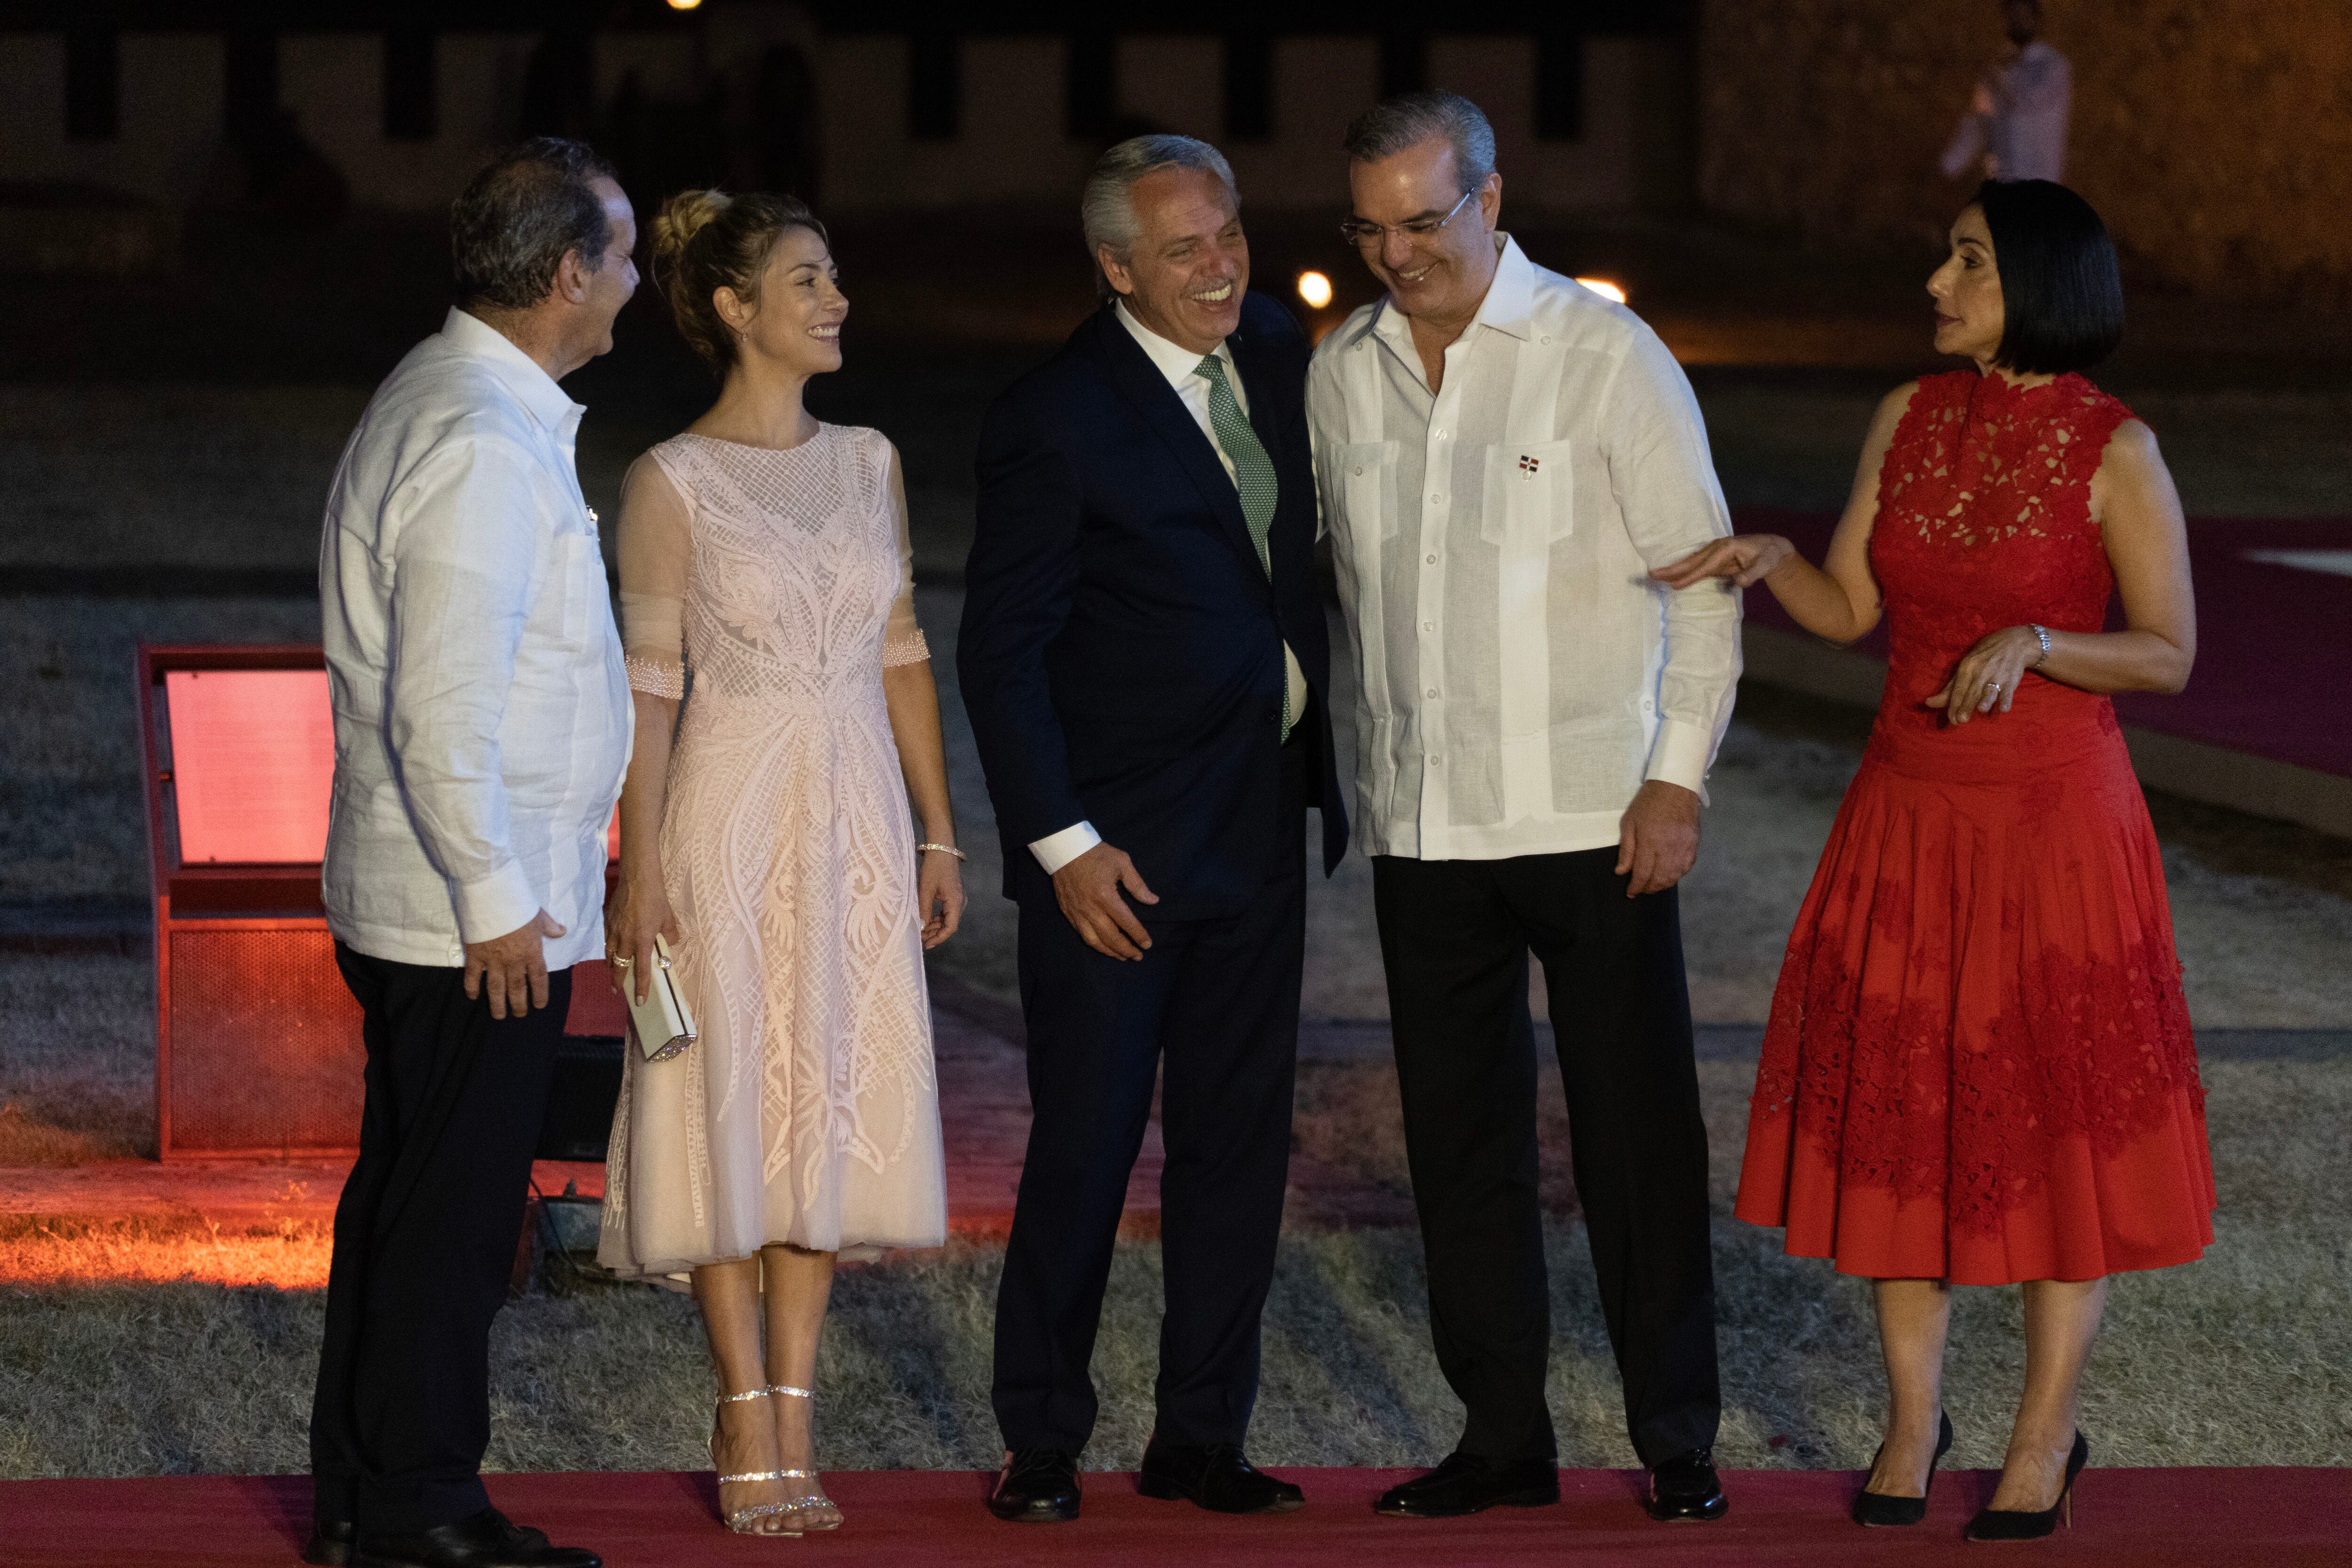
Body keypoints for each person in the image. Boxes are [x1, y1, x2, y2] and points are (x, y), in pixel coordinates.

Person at [1658, 179, 2213, 1542]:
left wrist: (2039, 642)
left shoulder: (2116, 448)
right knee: (1903, 1122)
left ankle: (2044, 1436)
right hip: (1905, 817)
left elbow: (2170, 649)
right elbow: (1853, 605)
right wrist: (1780, 562)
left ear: (2035, 277)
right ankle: (1914, 1420)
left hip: (2054, 835)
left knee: (2053, 1129)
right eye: (1947, 256)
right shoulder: (1907, 415)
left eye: (1965, 259)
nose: (1935, 281)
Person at [1306, 91, 1741, 1526]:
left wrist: (1674, 775)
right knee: (1458, 1142)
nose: (1396, 254)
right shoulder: (1344, 370)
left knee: (1634, 1133)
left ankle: (1676, 1433)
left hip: (1594, 816)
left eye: (1422, 222)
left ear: (1492, 200)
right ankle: (1501, 1436)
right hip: (1425, 828)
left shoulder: (1602, 355)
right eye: (1370, 228)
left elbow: (1703, 578)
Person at [959, 133, 1349, 1523]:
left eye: (1228, 231)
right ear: (1115, 265)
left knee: (1239, 1148)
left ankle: (1202, 1437)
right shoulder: (1055, 413)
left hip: (1259, 826)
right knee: (1085, 1140)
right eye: (1183, 247)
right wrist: (1061, 844)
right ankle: (1043, 1439)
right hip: (1115, 859)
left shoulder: (1283, 361)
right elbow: (1001, 653)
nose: (1219, 263)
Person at [596, 189, 959, 1536]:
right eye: (808, 281)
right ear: (736, 308)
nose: (838, 300)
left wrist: (936, 826)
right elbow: (649, 692)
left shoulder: (870, 459)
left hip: (855, 810)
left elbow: (905, 648)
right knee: (733, 1096)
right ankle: (743, 1408)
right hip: (729, 812)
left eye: (837, 276)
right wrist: (641, 867)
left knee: (827, 1095)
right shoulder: (668, 482)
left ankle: (801, 1407)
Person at [310, 137, 633, 1568]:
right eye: (619, 257)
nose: (631, 285)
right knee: (448, 1218)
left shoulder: (463, 404)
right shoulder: (481, 440)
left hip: (453, 903)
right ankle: (423, 1504)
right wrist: (506, 906)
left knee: (410, 1198)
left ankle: (364, 1492)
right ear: (566, 271)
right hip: (468, 918)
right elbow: (441, 711)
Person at [1941, 0, 2072, 184]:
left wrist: (1995, 75)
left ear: (2037, 20)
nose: (2018, 21)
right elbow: (1980, 122)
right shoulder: (1999, 69)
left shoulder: (2054, 66)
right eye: (2012, 16)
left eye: (2023, 16)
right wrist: (1950, 164)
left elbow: (2025, 103)